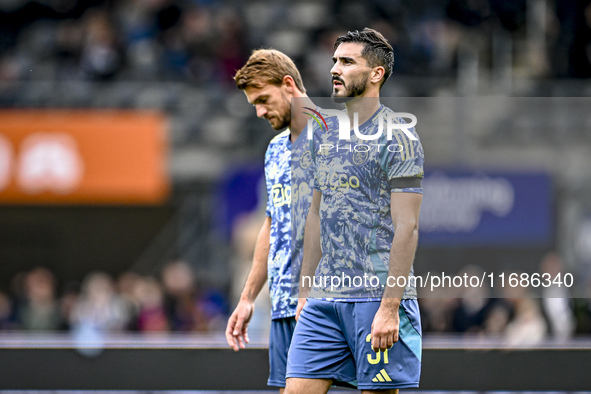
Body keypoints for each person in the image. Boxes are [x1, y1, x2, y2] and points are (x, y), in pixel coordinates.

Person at [285, 28, 424, 393]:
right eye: (335, 61)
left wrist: (390, 307)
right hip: (324, 300)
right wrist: (304, 291)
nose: (335, 69)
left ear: (376, 73)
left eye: (347, 62)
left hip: (375, 298)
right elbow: (316, 216)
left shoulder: (398, 136)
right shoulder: (324, 134)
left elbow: (407, 228)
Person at [225, 48, 317, 391]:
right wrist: (248, 297)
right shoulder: (275, 150)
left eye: (264, 99)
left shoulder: (337, 139)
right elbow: (271, 225)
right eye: (254, 105)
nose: (260, 111)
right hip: (284, 306)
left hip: (328, 303)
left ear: (289, 85)